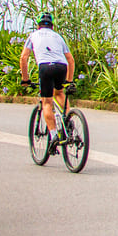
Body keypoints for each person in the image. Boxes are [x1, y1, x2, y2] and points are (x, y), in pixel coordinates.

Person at [18, 12, 76, 146]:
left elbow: (23, 58)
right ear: (52, 26)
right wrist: (69, 81)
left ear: (38, 26)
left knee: (47, 102)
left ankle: (54, 135)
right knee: (59, 93)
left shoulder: (33, 35)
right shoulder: (58, 36)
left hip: (45, 67)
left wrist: (25, 79)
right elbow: (70, 60)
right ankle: (69, 121)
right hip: (61, 66)